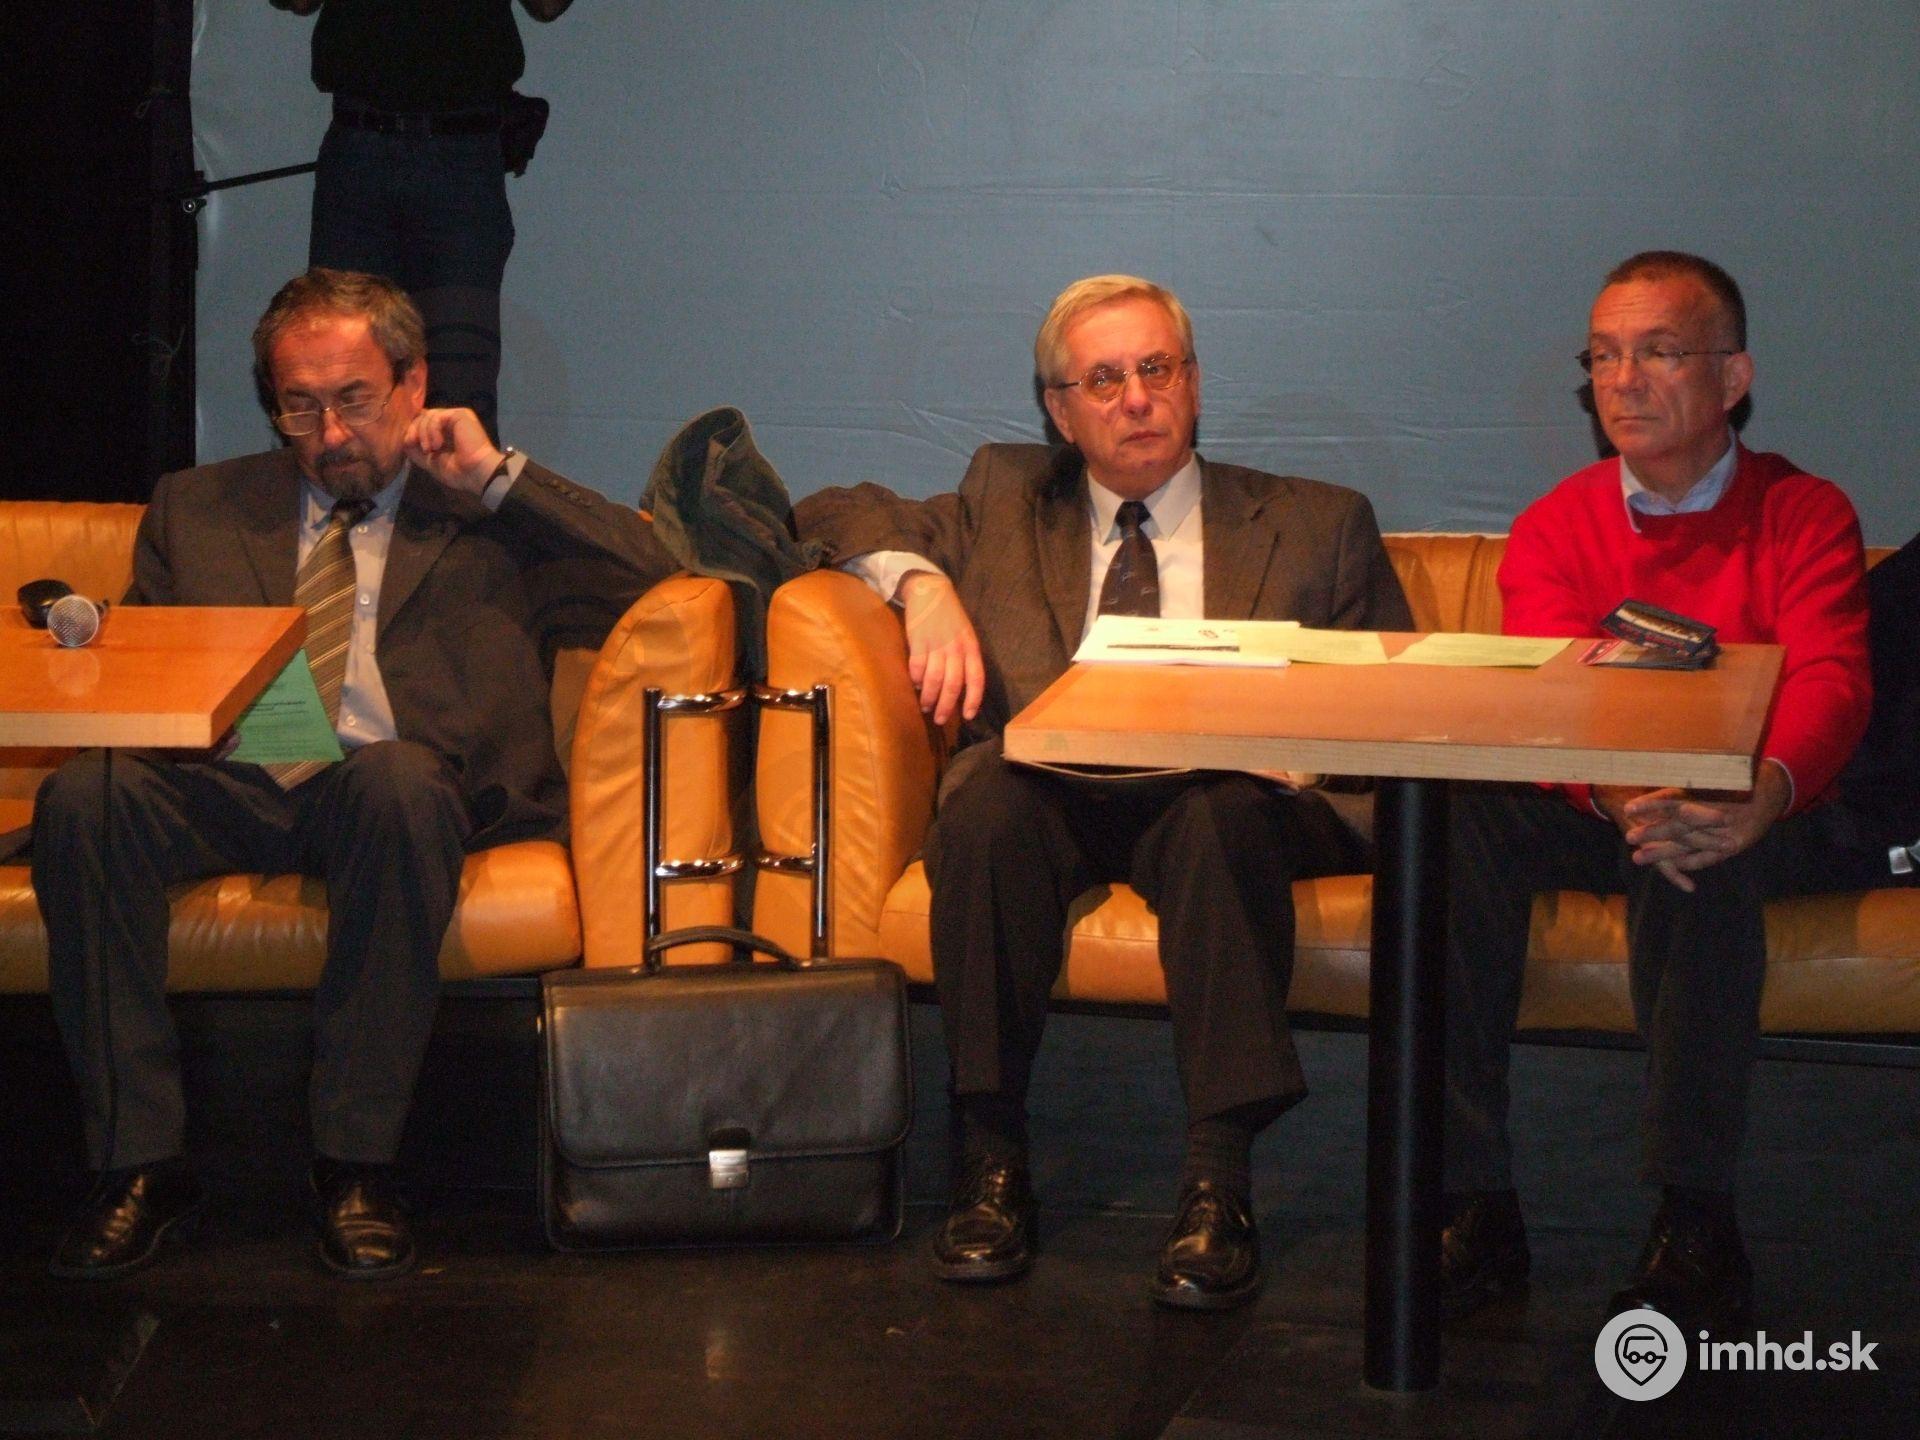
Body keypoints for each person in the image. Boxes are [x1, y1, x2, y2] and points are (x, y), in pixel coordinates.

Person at [34, 267, 670, 1281]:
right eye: (300, 407)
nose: (330, 434)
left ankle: (355, 1163)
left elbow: (662, 577)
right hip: (229, 775)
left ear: (414, 385)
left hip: (395, 787)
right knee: (86, 795)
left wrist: (496, 475)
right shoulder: (198, 507)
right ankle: (137, 1163)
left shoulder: (483, 514)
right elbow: (148, 670)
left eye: (355, 399)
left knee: (397, 786)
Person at [797, 274, 1411, 1309]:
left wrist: (1291, 751)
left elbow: (1388, 705)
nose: (1136, 399)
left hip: (1230, 793)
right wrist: (923, 584)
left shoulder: (1318, 522)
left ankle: (1217, 1181)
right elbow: (825, 511)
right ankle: (990, 1159)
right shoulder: (1003, 494)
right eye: (1104, 379)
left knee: (1218, 820)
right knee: (984, 812)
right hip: (1056, 788)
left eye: (1157, 370)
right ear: (1059, 410)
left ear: (1195, 383)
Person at [1440, 252, 1871, 1334]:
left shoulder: (1805, 512)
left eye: (1659, 352)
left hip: (1763, 809)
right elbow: (1554, 696)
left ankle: (1695, 1218)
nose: (1623, 381)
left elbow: (1830, 679)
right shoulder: (1556, 524)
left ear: (1733, 377)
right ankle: (1471, 1198)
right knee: (1449, 815)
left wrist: (1758, 793)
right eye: (1604, 357)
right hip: (1605, 799)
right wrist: (1618, 792)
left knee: (1700, 851)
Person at [271, 0, 575, 439]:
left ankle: (460, 485)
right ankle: (347, 487)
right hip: (361, 147)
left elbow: (547, 6)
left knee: (459, 389)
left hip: (460, 154)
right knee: (338, 375)